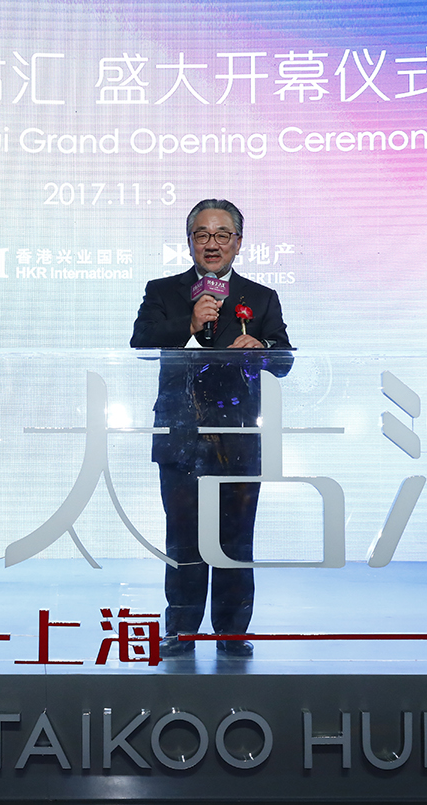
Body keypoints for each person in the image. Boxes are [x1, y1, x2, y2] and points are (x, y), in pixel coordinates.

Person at [129, 199, 291, 658]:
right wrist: (189, 322)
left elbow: (284, 359)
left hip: (238, 437)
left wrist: (261, 346)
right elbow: (141, 340)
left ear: (238, 242)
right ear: (190, 243)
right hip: (180, 434)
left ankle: (232, 633)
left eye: (222, 235)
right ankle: (181, 630)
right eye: (202, 235)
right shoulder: (163, 291)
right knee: (183, 538)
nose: (212, 244)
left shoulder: (261, 297)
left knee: (235, 538)